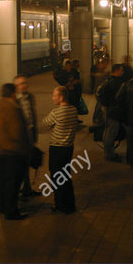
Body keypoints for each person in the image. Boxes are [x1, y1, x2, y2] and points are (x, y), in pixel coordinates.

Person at [0, 83, 31, 220]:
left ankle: (3, 207)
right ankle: (11, 211)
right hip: (12, 151)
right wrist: (27, 147)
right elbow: (16, 132)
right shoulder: (13, 108)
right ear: (13, 94)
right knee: (12, 183)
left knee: (3, 180)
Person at [43, 86, 79, 214]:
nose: (52, 98)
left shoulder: (56, 112)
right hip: (68, 148)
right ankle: (70, 204)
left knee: (56, 177)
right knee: (66, 175)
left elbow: (46, 123)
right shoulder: (74, 110)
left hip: (57, 148)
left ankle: (60, 204)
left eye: (54, 95)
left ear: (61, 97)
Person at [14, 74, 40, 197]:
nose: (24, 85)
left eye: (25, 83)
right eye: (21, 83)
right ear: (16, 86)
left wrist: (35, 134)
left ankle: (27, 188)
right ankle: (20, 189)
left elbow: (33, 115)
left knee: (27, 161)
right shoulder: (13, 100)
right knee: (20, 163)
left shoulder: (30, 97)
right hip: (20, 136)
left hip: (30, 132)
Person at [97, 64, 125, 162]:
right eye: (121, 70)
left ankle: (109, 152)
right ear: (116, 71)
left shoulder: (107, 81)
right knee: (111, 132)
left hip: (108, 109)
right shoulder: (115, 83)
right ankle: (109, 155)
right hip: (112, 111)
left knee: (108, 130)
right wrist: (110, 105)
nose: (122, 72)